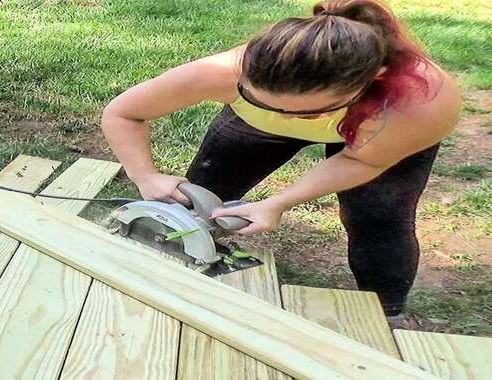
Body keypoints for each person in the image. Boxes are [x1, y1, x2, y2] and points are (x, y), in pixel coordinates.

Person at [100, 0, 461, 317]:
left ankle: (386, 312)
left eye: (303, 115)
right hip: (254, 123)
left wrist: (280, 202)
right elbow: (124, 113)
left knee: (377, 217)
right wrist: (145, 176)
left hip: (375, 129)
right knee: (199, 199)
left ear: (372, 79)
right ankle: (170, 266)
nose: (286, 120)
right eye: (267, 103)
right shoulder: (220, 73)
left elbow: (362, 162)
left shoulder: (422, 102)